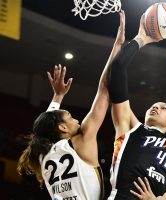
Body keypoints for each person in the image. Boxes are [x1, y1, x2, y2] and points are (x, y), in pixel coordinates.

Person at [17, 10, 126, 200]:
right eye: (70, 117)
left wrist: (58, 96)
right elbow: (104, 90)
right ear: (62, 127)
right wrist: (117, 46)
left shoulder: (43, 154)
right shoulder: (81, 141)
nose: (77, 120)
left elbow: (45, 126)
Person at [108, 13, 166, 199]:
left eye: (163, 108)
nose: (156, 107)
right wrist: (141, 38)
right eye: (154, 105)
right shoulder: (130, 128)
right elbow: (118, 67)